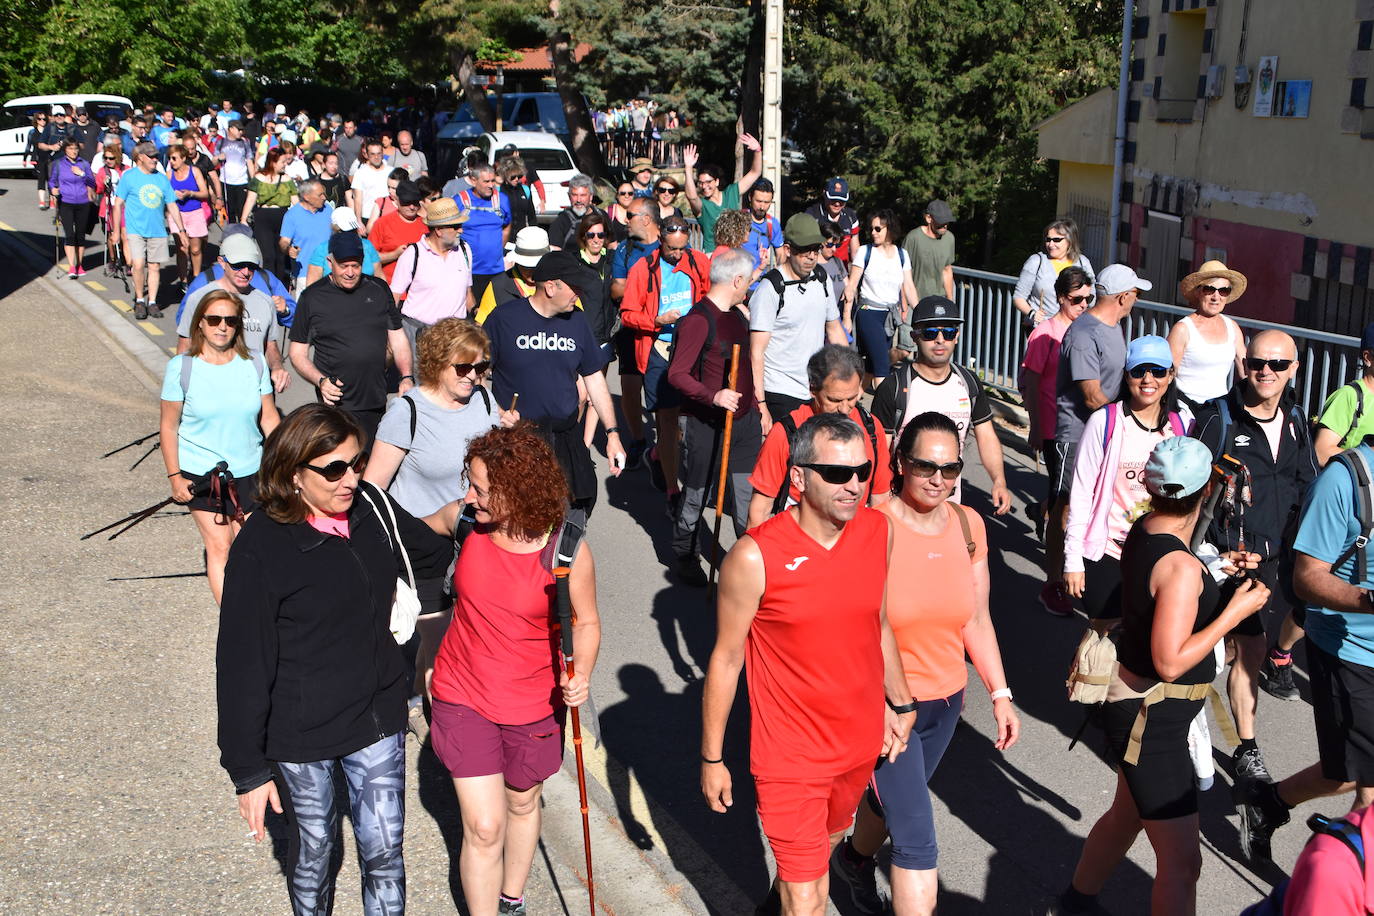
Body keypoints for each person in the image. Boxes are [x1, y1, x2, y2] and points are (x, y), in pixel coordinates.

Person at [218, 404, 442, 916]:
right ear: (294, 473)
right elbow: (240, 664)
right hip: (303, 730)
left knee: (384, 852)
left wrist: (491, 520)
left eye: (357, 462)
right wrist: (248, 771)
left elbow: (431, 550)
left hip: (377, 715)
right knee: (315, 853)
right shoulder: (262, 545)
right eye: (334, 468)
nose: (351, 478)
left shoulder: (371, 507)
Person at [701, 411, 915, 916]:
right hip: (788, 757)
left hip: (856, 744)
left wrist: (901, 703)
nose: (854, 485)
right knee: (808, 897)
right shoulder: (754, 558)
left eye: (862, 472)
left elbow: (878, 624)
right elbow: (726, 658)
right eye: (837, 474)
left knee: (817, 857)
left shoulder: (877, 532)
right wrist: (712, 758)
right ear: (797, 478)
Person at [1054, 436, 1269, 916]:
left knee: (1125, 817)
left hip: (1140, 711)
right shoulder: (1180, 566)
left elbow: (1167, 586)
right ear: (1206, 490)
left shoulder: (1147, 529)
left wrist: (1212, 570)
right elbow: (1170, 659)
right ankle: (1075, 902)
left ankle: (1075, 902)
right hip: (1154, 723)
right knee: (1183, 863)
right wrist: (1235, 610)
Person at [833, 412, 1020, 916]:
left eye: (952, 468)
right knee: (916, 835)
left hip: (946, 702)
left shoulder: (967, 525)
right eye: (925, 466)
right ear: (899, 462)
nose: (940, 479)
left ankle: (851, 860)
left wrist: (999, 694)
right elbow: (846, 625)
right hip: (887, 707)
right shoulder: (870, 526)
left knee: (892, 804)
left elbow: (976, 619)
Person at [427, 425, 600, 916]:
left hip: (534, 703)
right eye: (471, 483)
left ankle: (512, 899)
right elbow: (397, 532)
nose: (468, 496)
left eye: (480, 488)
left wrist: (580, 673)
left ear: (516, 488)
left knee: (523, 803)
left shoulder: (567, 551)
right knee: (484, 825)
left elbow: (586, 622)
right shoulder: (465, 522)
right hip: (463, 693)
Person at [1235, 426, 1374, 864]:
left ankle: (1270, 804)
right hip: (1350, 649)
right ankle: (1334, 883)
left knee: (1351, 774)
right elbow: (1307, 578)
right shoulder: (1344, 478)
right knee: (1361, 787)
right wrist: (1368, 599)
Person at [1191, 329, 1317, 788]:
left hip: (1276, 564)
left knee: (1244, 651)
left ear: (1293, 370)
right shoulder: (1218, 419)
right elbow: (1185, 491)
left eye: (1277, 365)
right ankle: (1168, 725)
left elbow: (1306, 486)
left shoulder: (1299, 421)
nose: (1265, 371)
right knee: (1229, 650)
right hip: (1226, 561)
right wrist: (1211, 555)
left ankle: (1244, 748)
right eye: (1257, 362)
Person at [364, 319, 506, 723]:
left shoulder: (483, 401)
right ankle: (447, 737)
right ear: (438, 362)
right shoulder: (407, 411)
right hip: (424, 547)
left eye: (481, 368)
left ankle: (411, 693)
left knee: (455, 637)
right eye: (464, 368)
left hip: (475, 539)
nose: (474, 377)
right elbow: (373, 488)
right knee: (443, 647)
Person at [1042, 265, 1152, 616]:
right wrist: (1131, 418)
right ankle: (1053, 584)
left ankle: (1090, 569)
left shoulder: (1114, 327)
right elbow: (1091, 396)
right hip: (1075, 435)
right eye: (1135, 293)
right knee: (1066, 508)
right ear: (1123, 296)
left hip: (1104, 433)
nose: (1137, 299)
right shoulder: (1084, 333)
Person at [483, 250, 628, 513]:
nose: (579, 293)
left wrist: (612, 434)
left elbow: (595, 379)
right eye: (574, 287)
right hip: (518, 441)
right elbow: (475, 376)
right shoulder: (504, 319)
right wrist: (497, 412)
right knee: (522, 517)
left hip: (565, 438)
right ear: (550, 286)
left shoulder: (576, 322)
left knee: (576, 509)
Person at [160, 288, 280, 603]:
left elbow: (269, 418)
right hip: (202, 475)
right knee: (220, 546)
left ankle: (257, 608)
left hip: (250, 471)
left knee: (253, 547)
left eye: (229, 320)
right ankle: (234, 622)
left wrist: (286, 462)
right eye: (214, 319)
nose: (222, 326)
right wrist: (175, 478)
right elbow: (168, 426)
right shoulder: (182, 368)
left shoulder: (254, 362)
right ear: (200, 323)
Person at [1062, 335, 1189, 623]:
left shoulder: (1181, 426)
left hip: (1158, 551)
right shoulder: (1105, 422)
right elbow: (1081, 494)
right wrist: (1072, 559)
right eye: (1138, 370)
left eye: (1157, 371)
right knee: (1105, 638)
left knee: (1143, 645)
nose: (1148, 379)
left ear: (1170, 375)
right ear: (1126, 375)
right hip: (1108, 551)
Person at [667, 247, 763, 586]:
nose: (750, 287)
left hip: (744, 425)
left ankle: (751, 564)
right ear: (737, 280)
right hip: (705, 424)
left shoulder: (738, 316)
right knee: (695, 495)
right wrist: (714, 396)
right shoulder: (697, 320)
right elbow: (676, 375)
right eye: (749, 281)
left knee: (748, 501)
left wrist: (758, 406)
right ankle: (685, 552)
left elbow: (750, 367)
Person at [872, 296, 1011, 514]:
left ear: (956, 337)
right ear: (914, 336)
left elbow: (986, 436)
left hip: (949, 506)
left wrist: (999, 481)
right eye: (929, 333)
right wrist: (878, 504)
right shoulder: (894, 387)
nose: (939, 340)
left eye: (948, 332)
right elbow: (878, 451)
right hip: (900, 506)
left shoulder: (968, 382)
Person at [620, 214, 712, 513]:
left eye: (682, 248)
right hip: (658, 349)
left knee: (691, 420)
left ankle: (659, 454)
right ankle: (674, 491)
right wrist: (655, 321)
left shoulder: (698, 262)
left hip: (691, 348)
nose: (677, 255)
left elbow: (711, 297)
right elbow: (627, 314)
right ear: (660, 240)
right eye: (672, 249)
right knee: (668, 421)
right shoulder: (642, 269)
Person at [288, 231, 414, 445]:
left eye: (355, 266)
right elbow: (297, 353)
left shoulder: (379, 289)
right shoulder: (312, 297)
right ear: (330, 262)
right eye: (343, 266)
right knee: (340, 467)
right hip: (335, 402)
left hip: (374, 398)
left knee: (368, 465)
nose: (349, 272)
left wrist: (406, 376)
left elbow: (398, 337)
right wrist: (321, 381)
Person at [748, 345, 893, 529]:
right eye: (834, 400)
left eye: (852, 398)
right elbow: (760, 509)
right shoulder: (787, 432)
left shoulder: (871, 428)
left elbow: (880, 498)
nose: (844, 408)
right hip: (799, 538)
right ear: (812, 389)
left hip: (853, 536)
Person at [749, 214, 848, 424]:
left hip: (815, 390)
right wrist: (761, 405)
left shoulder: (821, 279)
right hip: (779, 391)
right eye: (804, 249)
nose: (812, 256)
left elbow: (834, 330)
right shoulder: (771, 288)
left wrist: (849, 375)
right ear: (787, 249)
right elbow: (756, 352)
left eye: (816, 248)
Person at [1018, 266, 1094, 539]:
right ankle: (1057, 547)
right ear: (1061, 297)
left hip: (1080, 423)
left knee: (1071, 487)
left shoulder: (1085, 331)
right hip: (1053, 425)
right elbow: (1032, 382)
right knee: (1064, 489)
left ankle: (1042, 512)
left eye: (1088, 299)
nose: (1083, 305)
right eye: (1077, 299)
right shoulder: (1045, 333)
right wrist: (1036, 426)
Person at [175, 234, 290, 393]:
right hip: (209, 390)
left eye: (251, 266)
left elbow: (270, 345)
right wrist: (181, 391)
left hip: (253, 391)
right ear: (222, 262)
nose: (245, 272)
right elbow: (184, 346)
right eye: (238, 265)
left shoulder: (265, 302)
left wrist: (277, 367)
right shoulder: (200, 298)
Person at [112, 141, 190, 319]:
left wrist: (182, 231)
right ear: (140, 158)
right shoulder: (129, 176)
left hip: (157, 230)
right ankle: (140, 299)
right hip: (135, 229)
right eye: (151, 157)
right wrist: (116, 231)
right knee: (138, 265)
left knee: (154, 267)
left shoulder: (161, 178)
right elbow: (117, 205)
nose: (155, 159)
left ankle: (152, 302)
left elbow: (172, 205)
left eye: (156, 156)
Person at [842, 210, 917, 386]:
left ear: (889, 229)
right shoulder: (864, 252)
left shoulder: (902, 254)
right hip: (868, 313)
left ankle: (853, 404)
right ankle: (885, 411)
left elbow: (909, 286)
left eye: (878, 228)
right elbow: (851, 286)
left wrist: (922, 313)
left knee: (871, 366)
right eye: (871, 229)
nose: (873, 232)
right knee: (882, 366)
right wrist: (846, 317)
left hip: (889, 316)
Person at [390, 197, 474, 352]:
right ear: (439, 230)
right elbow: (393, 298)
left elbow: (468, 293)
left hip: (456, 336)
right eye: (455, 226)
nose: (460, 230)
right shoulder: (413, 254)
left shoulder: (464, 250)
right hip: (419, 335)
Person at [1168, 260, 1248, 406]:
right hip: (1185, 410)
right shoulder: (1183, 329)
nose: (1216, 297)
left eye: (1223, 291)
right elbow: (1167, 375)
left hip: (1218, 412)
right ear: (1198, 292)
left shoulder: (1232, 327)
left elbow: (1245, 371)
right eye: (1209, 289)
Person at [682, 135, 762, 250]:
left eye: (708, 182)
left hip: (735, 253)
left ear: (717, 182)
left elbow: (755, 172)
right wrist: (688, 168)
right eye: (701, 183)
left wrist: (757, 150)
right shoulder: (703, 206)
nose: (704, 186)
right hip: (713, 256)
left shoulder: (731, 193)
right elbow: (692, 197)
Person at [1012, 218, 1096, 327]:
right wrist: (1032, 313)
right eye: (1048, 239)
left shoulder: (1082, 262)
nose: (1051, 244)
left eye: (1057, 240)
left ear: (1070, 241)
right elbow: (1019, 297)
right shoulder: (1036, 262)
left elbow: (1092, 295)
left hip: (1074, 327)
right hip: (1042, 327)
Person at [1314, 321, 1374, 467]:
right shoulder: (1349, 396)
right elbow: (1321, 452)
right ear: (1367, 357)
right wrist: (1369, 462)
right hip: (1356, 486)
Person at [453, 164, 512, 302]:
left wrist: (497, 248)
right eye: (486, 181)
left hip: (496, 270)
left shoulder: (501, 200)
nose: (491, 185)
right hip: (468, 272)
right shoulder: (460, 200)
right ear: (474, 181)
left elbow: (507, 226)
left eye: (493, 181)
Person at [239, 147, 298, 284]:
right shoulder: (258, 178)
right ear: (273, 162)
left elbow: (296, 202)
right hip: (263, 218)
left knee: (280, 256)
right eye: (282, 161)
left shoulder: (287, 179)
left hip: (283, 218)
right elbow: (250, 199)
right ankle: (268, 286)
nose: (285, 164)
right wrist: (243, 219)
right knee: (268, 256)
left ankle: (282, 288)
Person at [475, 226, 547, 324]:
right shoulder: (498, 286)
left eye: (537, 266)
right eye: (526, 266)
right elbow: (481, 327)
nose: (532, 272)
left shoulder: (560, 283)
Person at [48, 136, 96, 279]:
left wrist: (81, 174)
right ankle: (71, 266)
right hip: (66, 202)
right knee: (69, 234)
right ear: (65, 150)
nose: (73, 151)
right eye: (70, 148)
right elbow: (52, 181)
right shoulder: (58, 164)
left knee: (80, 235)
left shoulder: (84, 164)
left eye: (75, 148)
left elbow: (92, 183)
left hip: (83, 202)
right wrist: (53, 190)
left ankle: (79, 264)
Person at [277, 178, 333, 296]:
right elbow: (284, 241)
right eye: (320, 195)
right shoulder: (292, 215)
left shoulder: (328, 210)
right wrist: (288, 250)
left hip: (329, 271)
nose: (324, 197)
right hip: (305, 274)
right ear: (306, 196)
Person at [368, 178, 427, 286]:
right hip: (390, 288)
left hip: (419, 291)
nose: (412, 207)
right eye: (407, 202)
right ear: (397, 200)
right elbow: (369, 257)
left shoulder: (425, 225)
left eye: (415, 202)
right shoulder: (382, 224)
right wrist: (394, 254)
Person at [166, 146, 210, 286]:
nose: (172, 162)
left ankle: (196, 278)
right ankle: (183, 281)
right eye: (170, 158)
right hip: (176, 214)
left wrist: (190, 193)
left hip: (194, 212)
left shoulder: (194, 171)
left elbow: (205, 193)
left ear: (183, 158)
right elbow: (165, 196)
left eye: (174, 158)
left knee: (195, 249)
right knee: (182, 249)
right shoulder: (169, 174)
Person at [305, 208, 381, 285]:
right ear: (334, 230)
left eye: (352, 230)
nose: (348, 235)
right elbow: (312, 285)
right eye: (343, 232)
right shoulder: (322, 249)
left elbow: (380, 277)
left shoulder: (367, 246)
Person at [901, 200, 956, 300]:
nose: (945, 225)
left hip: (939, 300)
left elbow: (947, 270)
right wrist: (904, 304)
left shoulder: (949, 238)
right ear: (928, 218)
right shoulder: (913, 238)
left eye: (947, 221)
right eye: (941, 220)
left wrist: (950, 300)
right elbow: (902, 273)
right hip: (915, 301)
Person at [805, 177, 860, 266]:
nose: (837, 204)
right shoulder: (812, 215)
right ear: (824, 194)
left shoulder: (851, 217)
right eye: (833, 199)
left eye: (841, 200)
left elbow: (855, 253)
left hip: (841, 273)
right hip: (817, 270)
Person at [94, 142, 129, 270]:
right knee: (111, 234)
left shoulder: (126, 170)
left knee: (126, 235)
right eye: (106, 158)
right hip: (109, 206)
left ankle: (127, 260)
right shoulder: (102, 171)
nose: (108, 161)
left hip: (124, 207)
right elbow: (98, 190)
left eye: (111, 158)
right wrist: (103, 184)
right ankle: (113, 259)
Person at [741, 179, 784, 274]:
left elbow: (781, 255)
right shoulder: (739, 220)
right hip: (738, 283)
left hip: (760, 283)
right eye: (758, 201)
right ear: (750, 197)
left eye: (766, 202)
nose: (762, 207)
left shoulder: (773, 224)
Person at [548, 174, 601, 251]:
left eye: (583, 195)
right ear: (569, 196)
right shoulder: (561, 221)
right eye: (574, 195)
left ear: (591, 197)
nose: (578, 200)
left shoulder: (601, 216)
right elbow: (555, 252)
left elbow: (612, 245)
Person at [217, 121, 255, 228]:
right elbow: (213, 161)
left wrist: (254, 181)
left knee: (241, 209)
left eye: (242, 130)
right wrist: (218, 158)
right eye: (239, 129)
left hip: (241, 181)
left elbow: (249, 162)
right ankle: (231, 231)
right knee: (230, 209)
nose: (241, 132)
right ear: (231, 129)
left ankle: (243, 230)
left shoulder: (244, 143)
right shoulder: (221, 142)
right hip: (226, 181)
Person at [349, 140, 392, 225]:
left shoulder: (391, 171)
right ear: (367, 155)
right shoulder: (360, 173)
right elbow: (358, 199)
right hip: (367, 217)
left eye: (379, 153)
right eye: (372, 154)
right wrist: (359, 221)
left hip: (388, 216)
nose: (376, 157)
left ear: (382, 154)